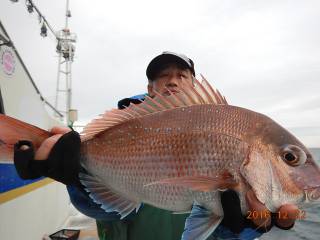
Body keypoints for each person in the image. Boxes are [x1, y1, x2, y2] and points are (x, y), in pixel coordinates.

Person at [14, 51, 298, 240]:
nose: (172, 81)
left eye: (181, 75)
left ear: (194, 84)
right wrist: (75, 174)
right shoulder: (125, 126)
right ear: (151, 88)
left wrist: (244, 227)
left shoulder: (223, 126)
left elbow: (217, 230)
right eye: (163, 76)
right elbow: (102, 211)